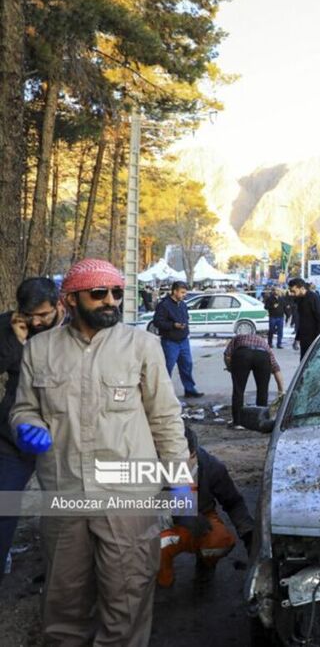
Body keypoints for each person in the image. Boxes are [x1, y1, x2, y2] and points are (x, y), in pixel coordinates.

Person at [11, 258, 189, 643]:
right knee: (63, 606)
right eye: (99, 293)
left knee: (126, 602)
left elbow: (165, 418)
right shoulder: (39, 350)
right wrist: (27, 425)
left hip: (128, 497)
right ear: (70, 300)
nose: (111, 300)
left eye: (116, 293)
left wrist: (179, 481)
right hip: (65, 493)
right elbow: (24, 406)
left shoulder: (142, 346)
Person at [0, 278, 63, 582]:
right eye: (29, 315)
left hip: (63, 436)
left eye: (43, 315)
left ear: (59, 305)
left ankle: (63, 574)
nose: (36, 322)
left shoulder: (77, 329)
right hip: (15, 434)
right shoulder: (8, 326)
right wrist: (15, 341)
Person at [158, 428, 254, 587]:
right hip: (163, 522)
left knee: (219, 540)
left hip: (202, 518)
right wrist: (180, 515)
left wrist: (249, 534)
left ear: (195, 454)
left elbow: (233, 502)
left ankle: (205, 563)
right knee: (152, 545)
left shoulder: (211, 466)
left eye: (187, 459)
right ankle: (161, 580)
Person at [153, 280, 203, 398]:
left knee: (187, 364)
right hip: (170, 341)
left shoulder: (183, 304)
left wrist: (185, 328)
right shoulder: (164, 305)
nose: (184, 295)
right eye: (182, 292)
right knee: (168, 366)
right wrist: (173, 325)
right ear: (174, 291)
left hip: (183, 339)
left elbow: (185, 317)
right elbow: (157, 322)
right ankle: (164, 392)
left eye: (185, 292)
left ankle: (189, 389)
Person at [224, 332, 285, 429]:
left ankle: (238, 422)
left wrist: (231, 368)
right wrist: (281, 391)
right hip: (262, 356)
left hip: (242, 354)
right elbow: (276, 368)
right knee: (263, 390)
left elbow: (227, 355)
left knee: (238, 390)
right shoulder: (264, 343)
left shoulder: (237, 338)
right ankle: (260, 421)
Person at [288, 277, 320, 360]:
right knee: (304, 361)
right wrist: (297, 338)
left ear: (302, 288)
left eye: (294, 291)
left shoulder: (313, 298)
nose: (292, 294)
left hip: (313, 337)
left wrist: (318, 338)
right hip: (304, 337)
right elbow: (302, 320)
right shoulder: (299, 299)